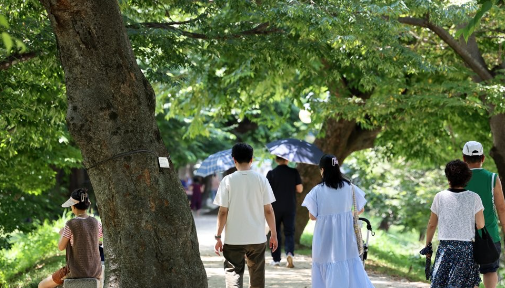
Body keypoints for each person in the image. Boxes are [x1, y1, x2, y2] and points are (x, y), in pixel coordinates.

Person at [301, 154, 374, 288]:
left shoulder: (317, 190)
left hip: (324, 236)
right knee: (346, 261)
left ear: (322, 170)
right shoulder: (349, 187)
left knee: (324, 263)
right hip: (345, 235)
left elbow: (312, 216)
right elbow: (361, 209)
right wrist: (346, 215)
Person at [213, 143, 278, 288]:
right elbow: (268, 210)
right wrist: (273, 234)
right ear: (252, 160)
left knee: (233, 273)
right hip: (257, 238)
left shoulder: (227, 181)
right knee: (257, 275)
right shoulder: (261, 180)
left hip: (234, 239)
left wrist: (218, 237)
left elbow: (223, 212)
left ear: (234, 159)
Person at [422, 160, 484, 288]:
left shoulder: (440, 197)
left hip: (445, 249)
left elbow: (432, 225)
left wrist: (428, 245)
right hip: (466, 250)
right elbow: (480, 225)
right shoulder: (474, 198)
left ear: (448, 177)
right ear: (466, 178)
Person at [38, 188, 103, 288]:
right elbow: (93, 238)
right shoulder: (96, 222)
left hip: (76, 271)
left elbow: (61, 247)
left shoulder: (71, 224)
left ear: (73, 206)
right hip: (95, 271)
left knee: (42, 285)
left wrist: (63, 233)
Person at [462, 141, 505, 288]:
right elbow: (502, 209)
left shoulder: (458, 179)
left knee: (469, 273)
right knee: (490, 270)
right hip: (490, 235)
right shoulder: (492, 178)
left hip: (464, 235)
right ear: (483, 158)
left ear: (463, 158)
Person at [266, 156, 303, 268]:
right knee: (289, 232)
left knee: (274, 232)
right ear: (287, 160)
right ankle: (289, 253)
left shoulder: (271, 173)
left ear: (276, 160)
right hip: (289, 206)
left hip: (274, 208)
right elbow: (300, 189)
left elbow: (267, 191)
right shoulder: (294, 172)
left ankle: (276, 259)